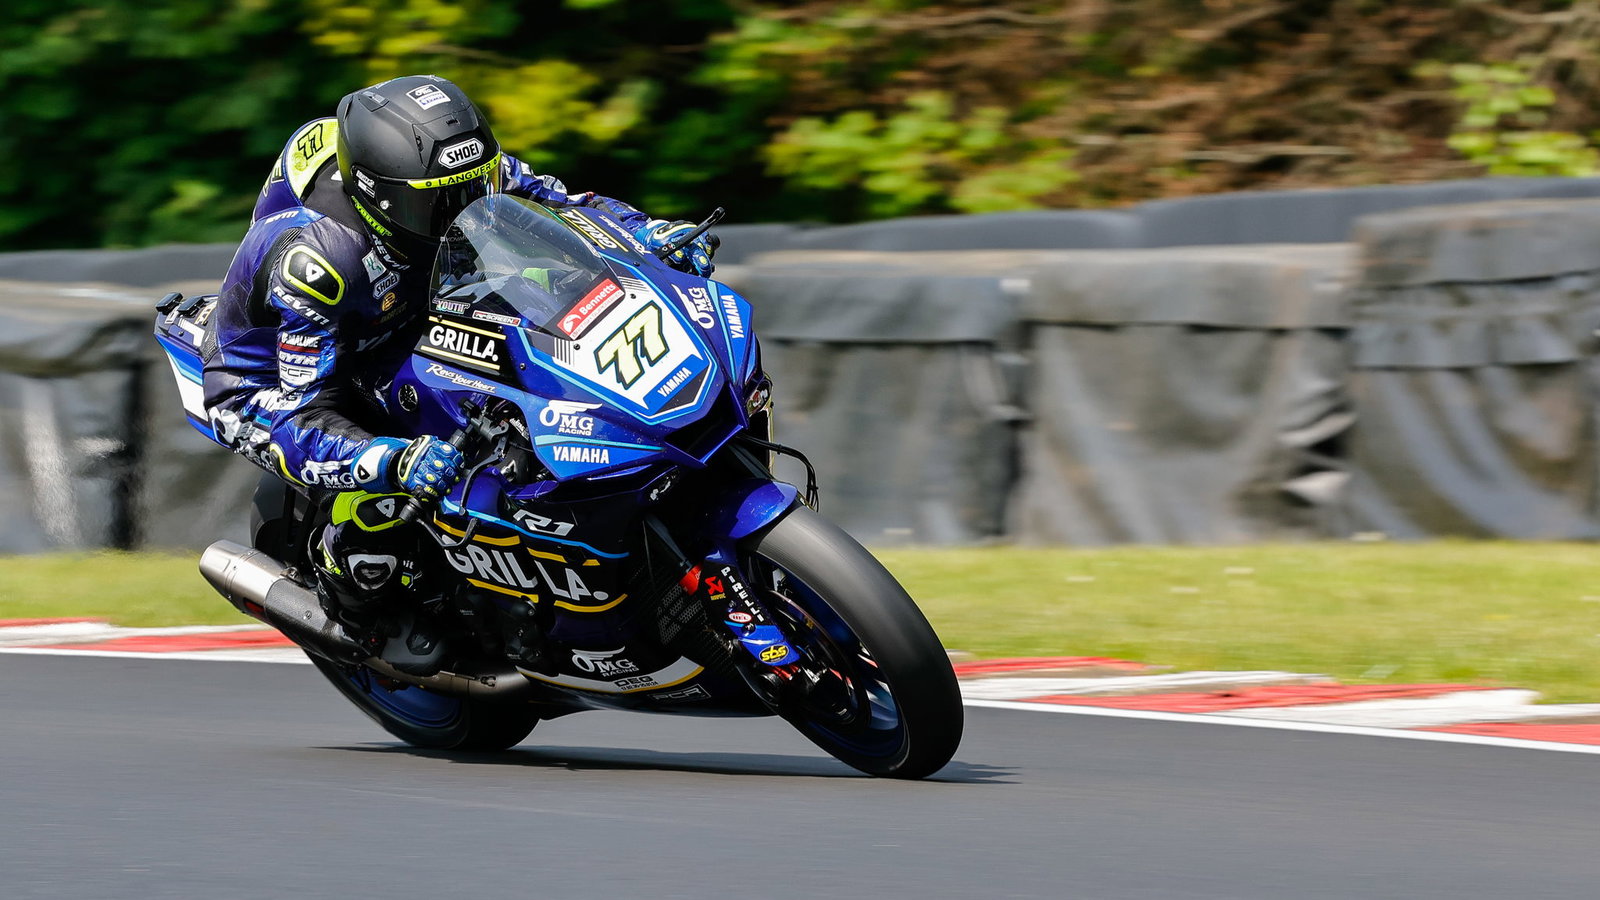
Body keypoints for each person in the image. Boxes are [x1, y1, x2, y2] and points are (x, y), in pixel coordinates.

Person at [202, 74, 718, 673]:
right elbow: (305, 411)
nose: (462, 209)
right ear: (379, 198)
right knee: (411, 465)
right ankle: (350, 579)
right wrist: (390, 460)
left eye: (473, 190)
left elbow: (565, 206)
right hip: (281, 383)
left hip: (414, 305)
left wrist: (650, 234)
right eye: (437, 205)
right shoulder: (317, 262)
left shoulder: (465, 172)